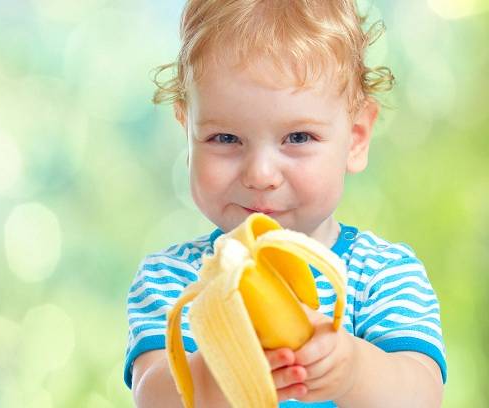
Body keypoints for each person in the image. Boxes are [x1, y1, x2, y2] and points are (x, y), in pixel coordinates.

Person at [124, 1, 446, 406]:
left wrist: (354, 372)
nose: (260, 174)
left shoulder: (381, 276)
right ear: (187, 132)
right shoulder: (175, 282)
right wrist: (225, 371)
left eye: (297, 138)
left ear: (357, 137)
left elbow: (422, 395)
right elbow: (152, 395)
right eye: (225, 139)